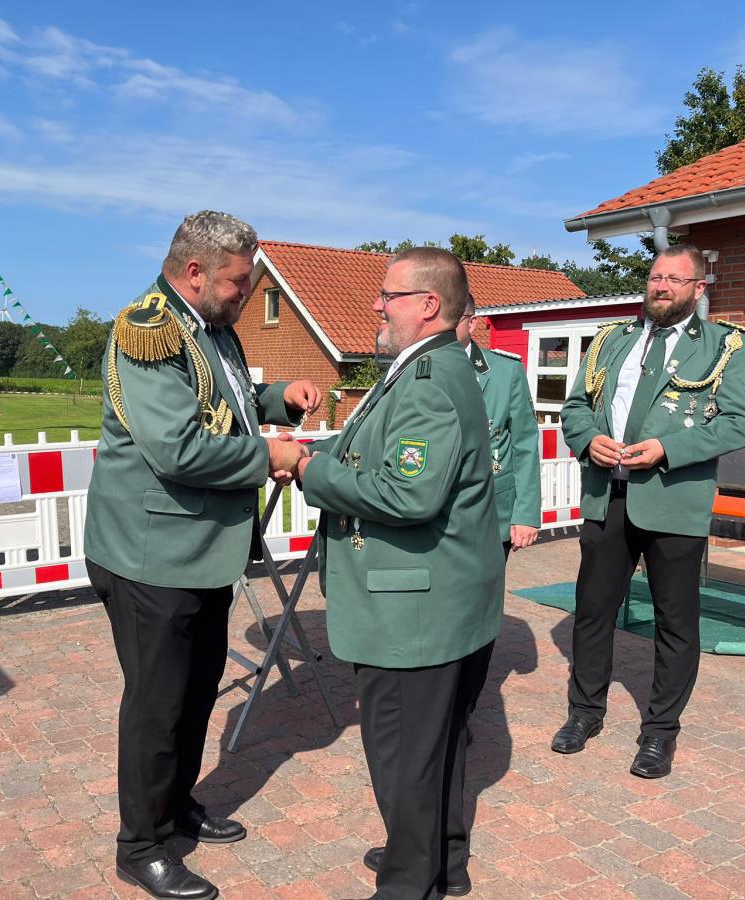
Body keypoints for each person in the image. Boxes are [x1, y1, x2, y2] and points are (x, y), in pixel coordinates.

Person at [84, 210, 319, 900]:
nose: (248, 293)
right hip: (153, 555)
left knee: (193, 696)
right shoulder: (150, 329)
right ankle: (141, 844)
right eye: (240, 282)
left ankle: (176, 805)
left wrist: (280, 400)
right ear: (196, 271)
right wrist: (270, 456)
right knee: (157, 706)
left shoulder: (211, 329)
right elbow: (176, 448)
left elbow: (227, 405)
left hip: (201, 553)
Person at [296, 247, 504, 900]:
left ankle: (409, 881)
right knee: (430, 752)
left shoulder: (429, 381)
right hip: (433, 600)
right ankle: (440, 860)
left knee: (403, 758)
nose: (377, 306)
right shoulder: (425, 369)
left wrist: (308, 472)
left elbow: (407, 495)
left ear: (428, 305)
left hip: (413, 609)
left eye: (388, 295)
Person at [550, 244, 745, 778]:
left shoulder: (725, 345)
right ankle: (584, 714)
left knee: (675, 623)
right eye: (655, 277)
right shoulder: (612, 341)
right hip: (608, 496)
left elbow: (742, 423)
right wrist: (588, 438)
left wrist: (669, 448)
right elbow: (574, 407)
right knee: (592, 611)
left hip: (674, 500)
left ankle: (660, 733)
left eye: (674, 279)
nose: (661, 287)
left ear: (698, 289)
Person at [457, 306, 541, 557]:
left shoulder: (506, 371)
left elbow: (524, 445)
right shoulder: (419, 368)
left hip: (492, 513)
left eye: (452, 319)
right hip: (433, 513)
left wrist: (525, 514)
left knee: (484, 594)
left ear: (472, 323)